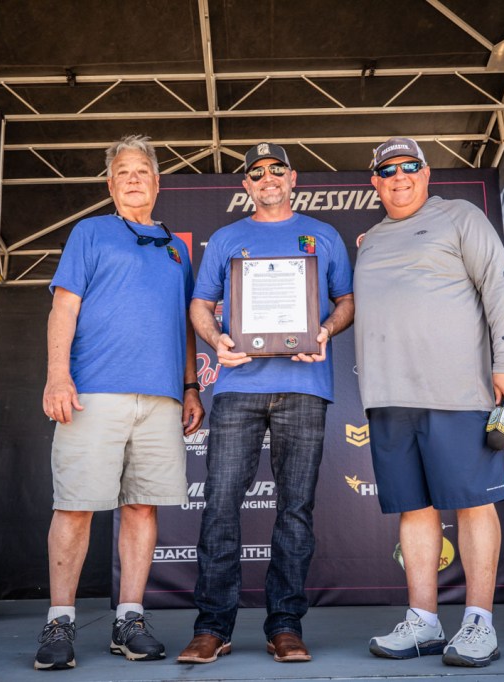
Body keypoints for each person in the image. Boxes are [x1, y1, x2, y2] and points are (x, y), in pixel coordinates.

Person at [176, 142, 354, 665]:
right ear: (246, 185)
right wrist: (217, 340)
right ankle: (213, 627)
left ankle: (285, 626)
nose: (268, 177)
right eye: (257, 172)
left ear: (293, 177)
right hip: (238, 389)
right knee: (220, 506)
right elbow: (200, 304)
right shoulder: (227, 239)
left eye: (277, 169)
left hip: (305, 386)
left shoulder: (323, 235)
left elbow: (346, 301)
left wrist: (324, 331)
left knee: (295, 509)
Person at [34, 134, 205, 670]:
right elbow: (64, 308)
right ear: (111, 184)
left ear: (157, 182)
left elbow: (184, 324)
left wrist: (191, 386)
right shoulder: (90, 232)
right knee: (75, 506)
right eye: (123, 172)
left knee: (142, 506)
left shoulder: (176, 248)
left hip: (161, 399)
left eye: (142, 171)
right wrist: (57, 377)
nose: (133, 179)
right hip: (93, 393)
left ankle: (129, 619)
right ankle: (59, 622)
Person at [353, 137, 504, 668]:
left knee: (474, 504)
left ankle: (479, 623)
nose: (399, 176)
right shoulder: (370, 240)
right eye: (388, 170)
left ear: (426, 173)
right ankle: (424, 622)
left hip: (458, 393)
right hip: (388, 398)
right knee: (414, 509)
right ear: (375, 182)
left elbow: (501, 285)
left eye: (410, 166)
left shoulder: (460, 216)